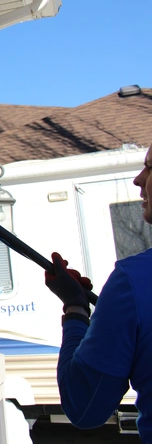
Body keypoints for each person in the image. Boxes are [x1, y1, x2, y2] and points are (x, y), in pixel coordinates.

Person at [45, 145, 152, 442]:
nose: (139, 179)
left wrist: (75, 309)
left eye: (150, 167)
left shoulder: (132, 282)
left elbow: (84, 407)